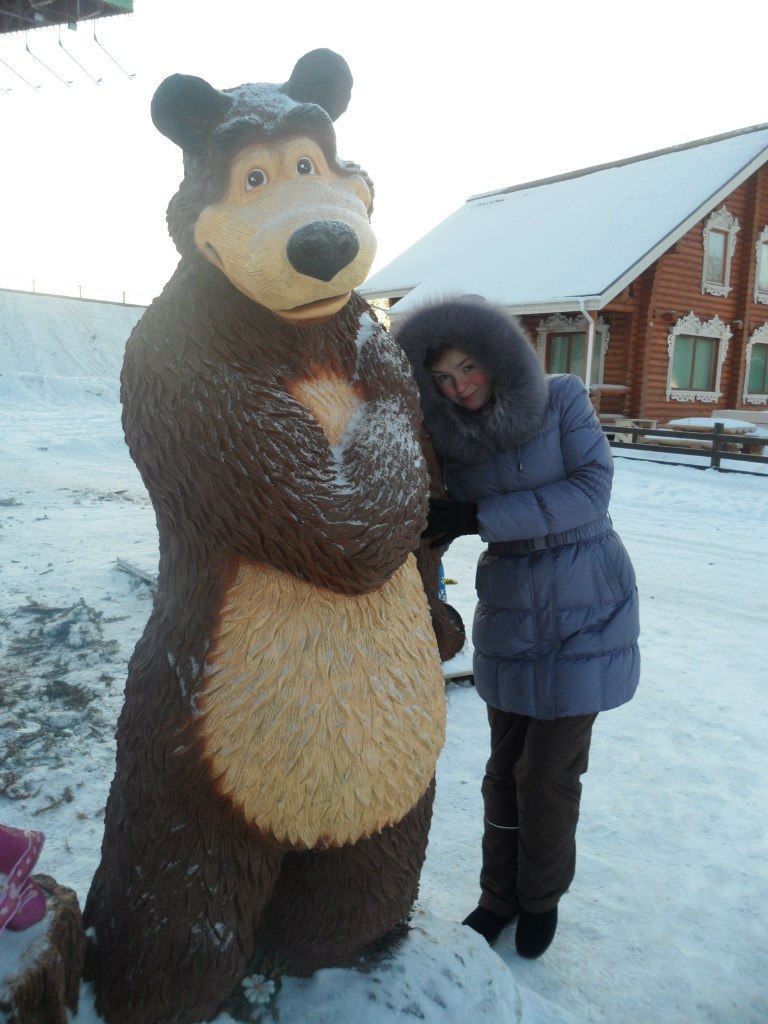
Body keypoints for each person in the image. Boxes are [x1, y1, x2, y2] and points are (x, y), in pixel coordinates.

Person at [396, 297, 640, 960]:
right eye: (442, 379)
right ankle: (497, 898)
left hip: (586, 602)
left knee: (547, 774)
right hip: (509, 612)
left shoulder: (562, 398)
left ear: (496, 358)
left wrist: (483, 515)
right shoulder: (448, 440)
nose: (459, 386)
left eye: (468, 368)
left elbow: (591, 490)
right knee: (503, 771)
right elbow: (431, 517)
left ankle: (539, 898)